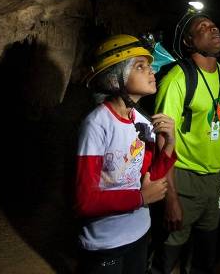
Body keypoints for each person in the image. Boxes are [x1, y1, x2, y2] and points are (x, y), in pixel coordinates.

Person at [151, 7, 220, 274]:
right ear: (188, 41)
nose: (213, 29)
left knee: (206, 257)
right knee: (168, 254)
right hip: (182, 178)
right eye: (203, 28)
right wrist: (170, 196)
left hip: (213, 182)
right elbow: (162, 140)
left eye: (214, 25)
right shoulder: (177, 80)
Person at [75, 34, 177, 274]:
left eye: (149, 66)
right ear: (115, 78)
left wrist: (170, 143)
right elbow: (84, 201)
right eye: (140, 66)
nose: (151, 72)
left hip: (139, 234)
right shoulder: (96, 125)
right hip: (106, 244)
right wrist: (141, 199)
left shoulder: (141, 121)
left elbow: (153, 178)